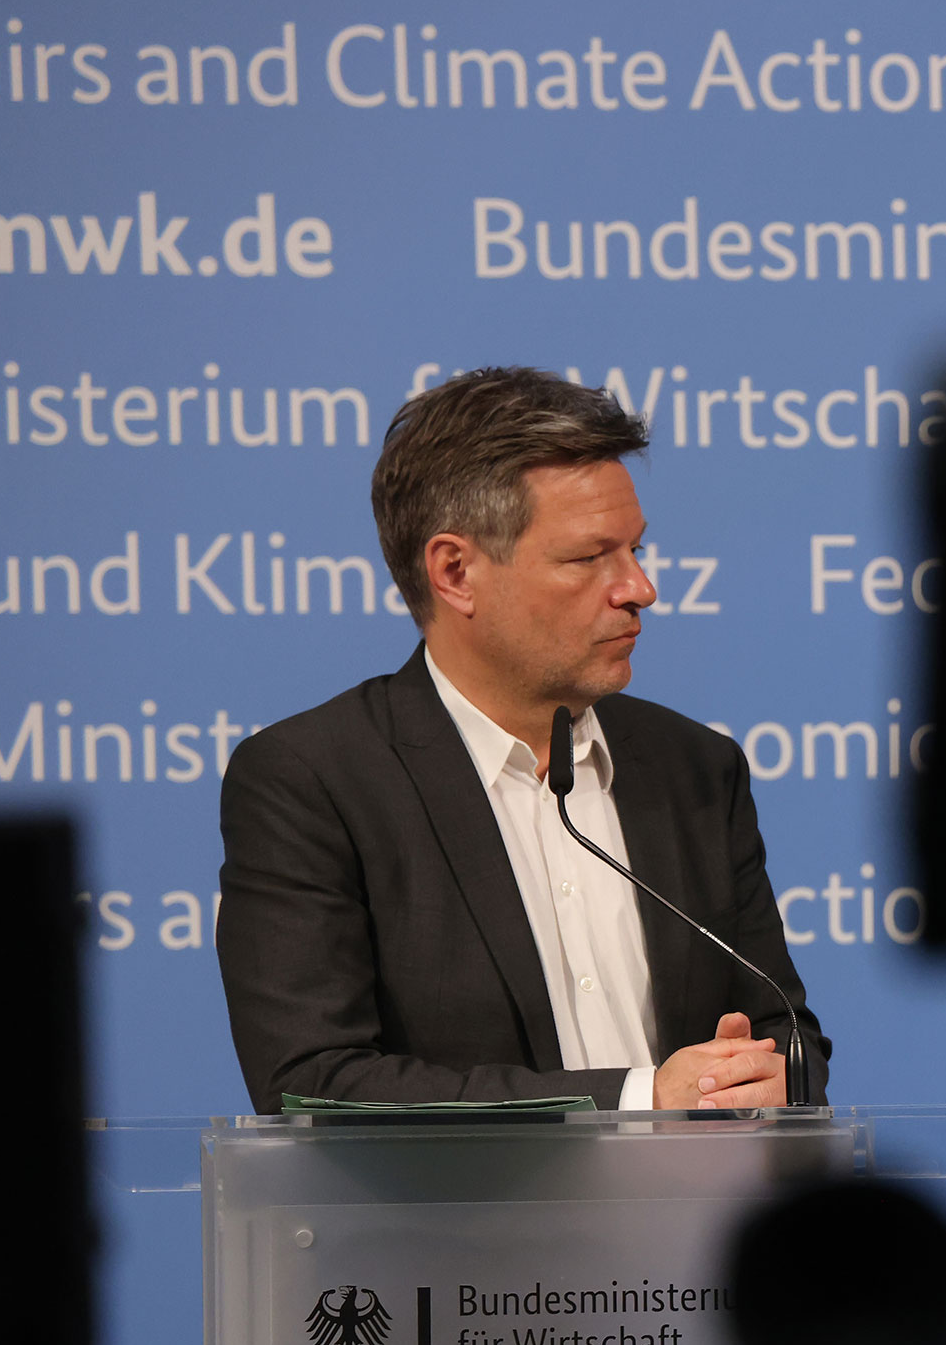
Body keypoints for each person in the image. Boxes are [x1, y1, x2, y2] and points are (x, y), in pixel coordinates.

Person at [217, 367, 826, 1111]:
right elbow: (315, 1084)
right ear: (455, 572)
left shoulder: (695, 768)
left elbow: (785, 1030)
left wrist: (768, 1076)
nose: (639, 587)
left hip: (688, 1225)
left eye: (636, 549)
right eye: (588, 557)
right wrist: (640, 1098)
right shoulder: (314, 781)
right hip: (449, 1230)